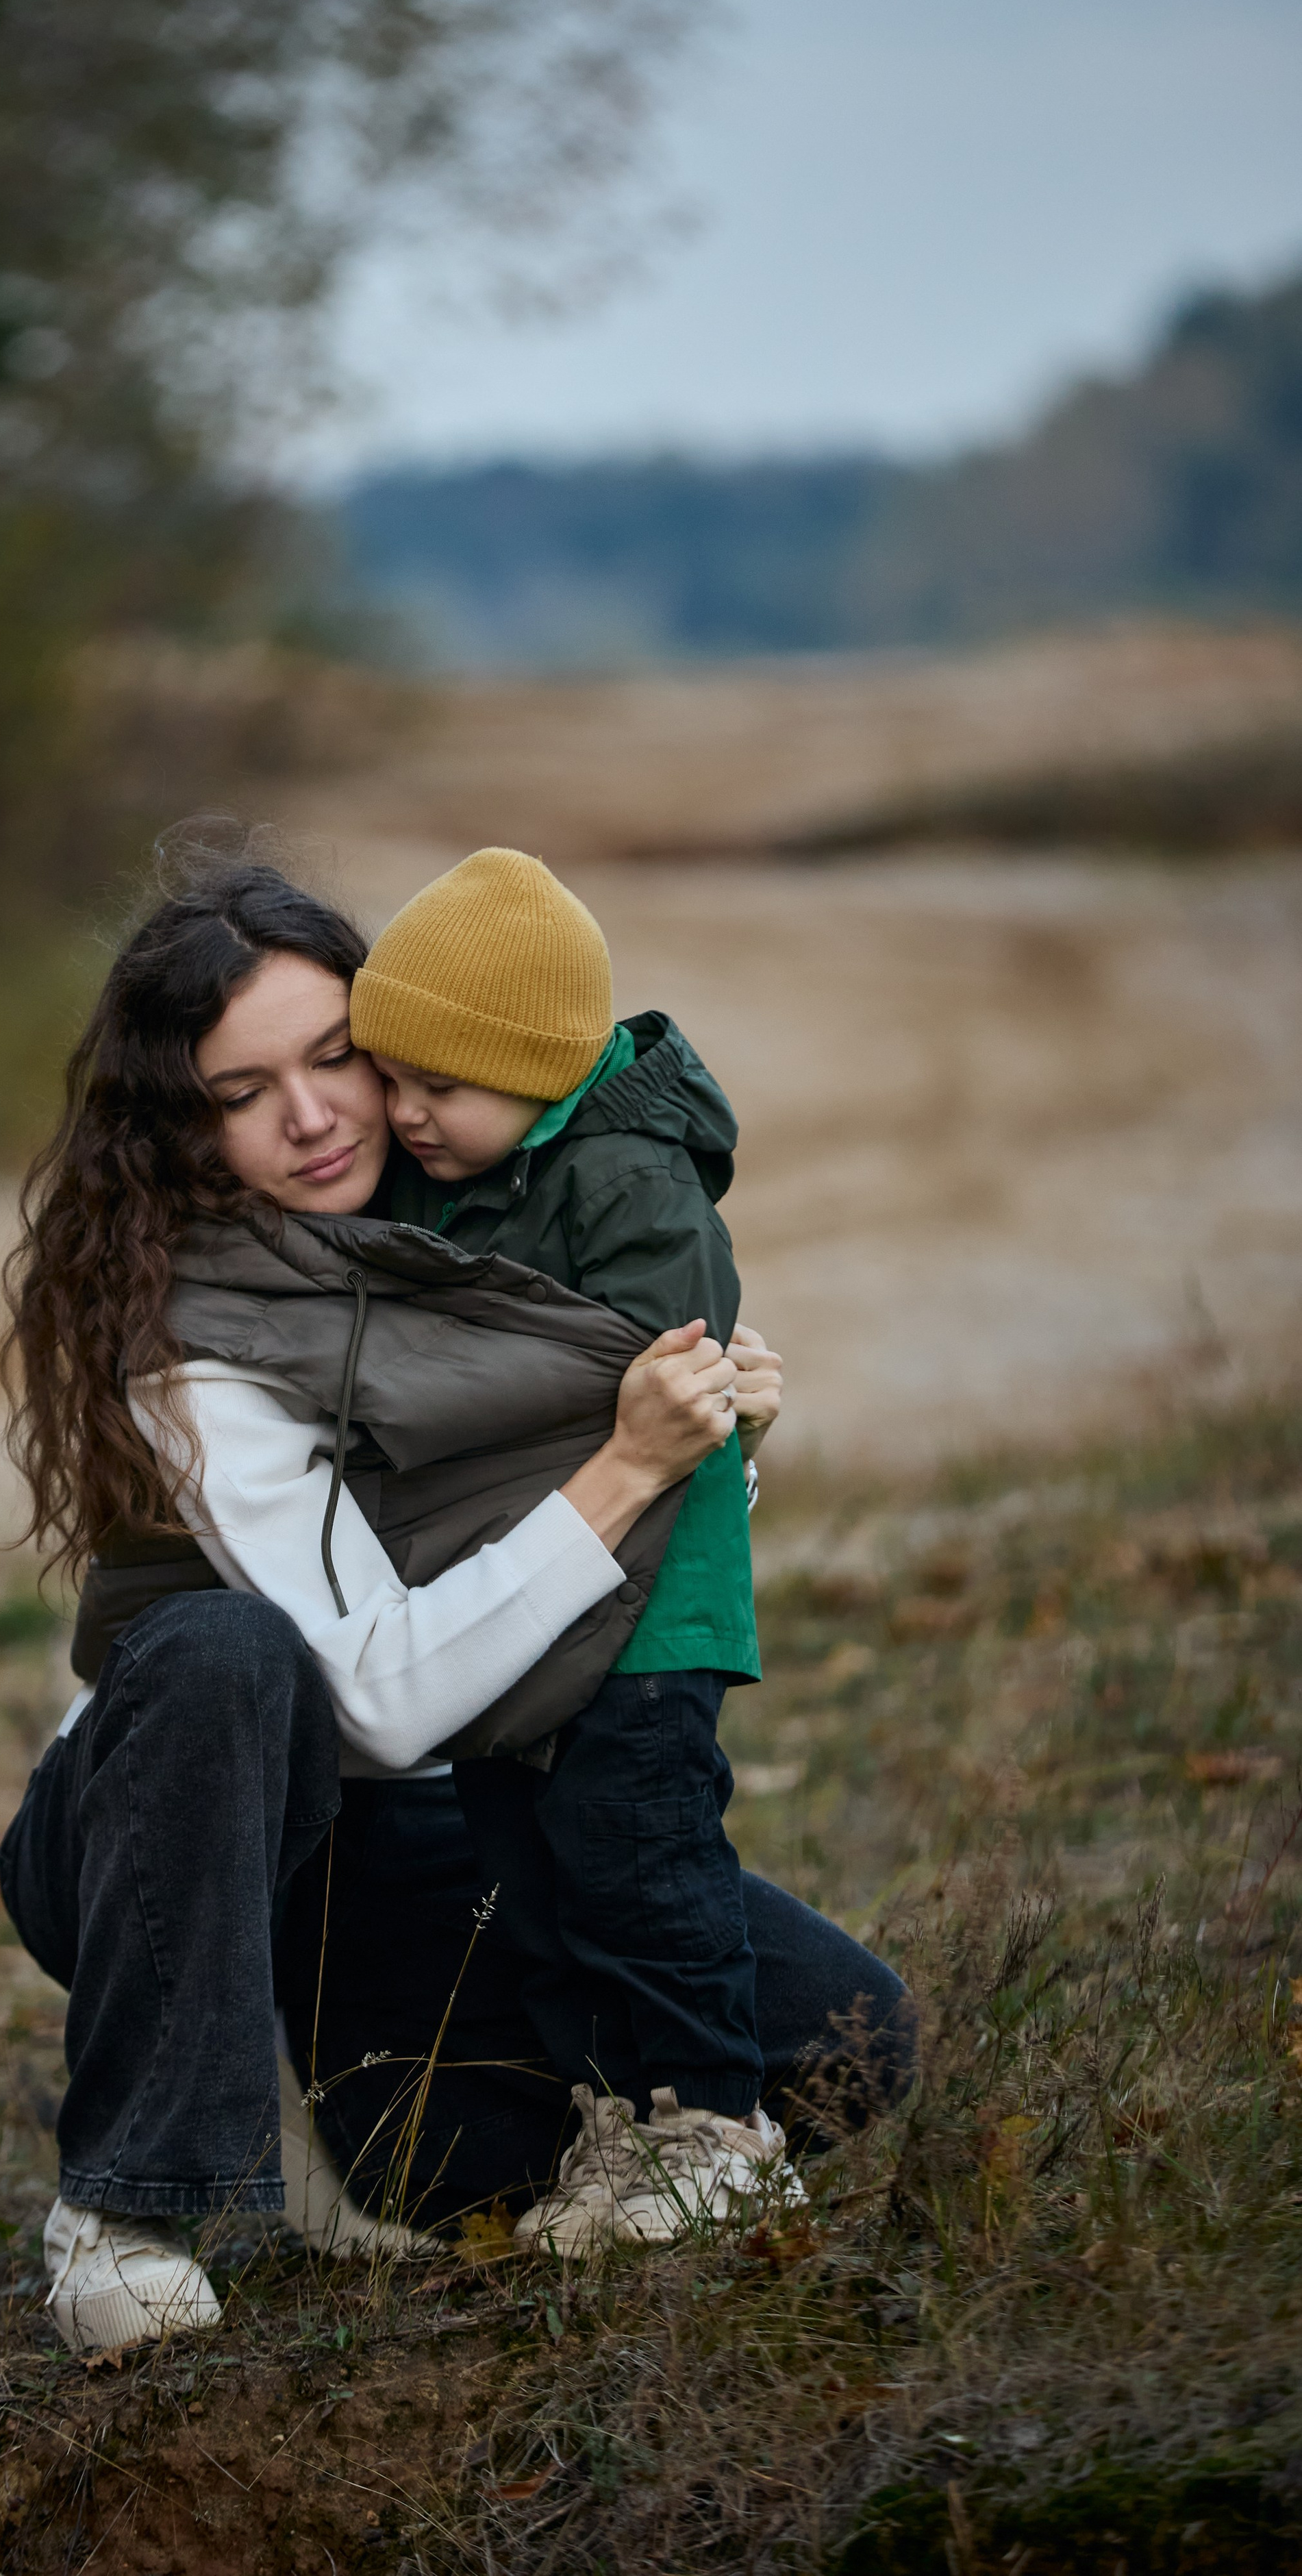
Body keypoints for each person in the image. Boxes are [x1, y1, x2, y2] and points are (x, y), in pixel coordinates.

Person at [0, 855, 914, 2361]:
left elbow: (565, 1572)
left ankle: (319, 2080)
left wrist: (717, 1445)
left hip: (441, 1817)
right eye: (240, 1091)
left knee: (832, 2041)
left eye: (335, 1056)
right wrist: (626, 1465)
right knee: (230, 1653)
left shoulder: (478, 1235)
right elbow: (373, 1698)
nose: (310, 1117)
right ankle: (124, 2204)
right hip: (189, 1819)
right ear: (180, 1125)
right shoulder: (195, 1328)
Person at [348, 847, 777, 2253]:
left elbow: (651, 1382)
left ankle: (711, 2126)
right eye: (390, 1080)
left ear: (539, 1069)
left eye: (441, 1088)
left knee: (636, 1858)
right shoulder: (456, 1176)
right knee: (528, 1876)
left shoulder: (628, 1186)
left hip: (644, 1610)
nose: (405, 1115)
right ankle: (616, 2124)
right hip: (521, 1602)